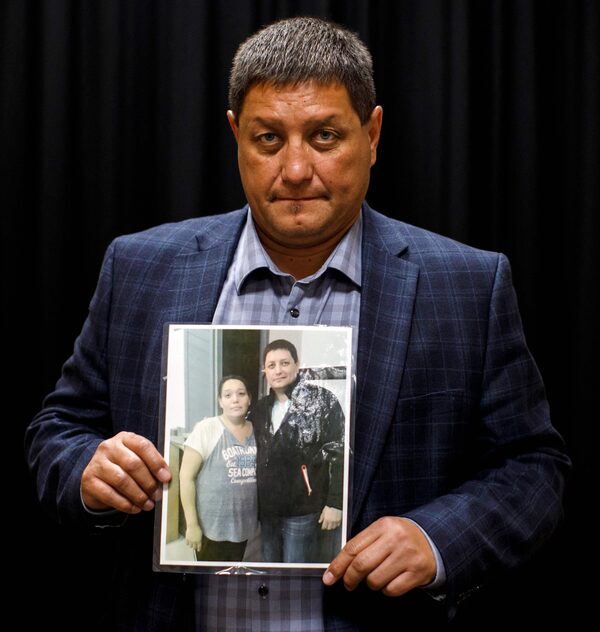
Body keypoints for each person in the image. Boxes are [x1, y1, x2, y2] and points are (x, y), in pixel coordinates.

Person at [25, 15, 570, 630]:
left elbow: (534, 467)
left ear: (372, 134)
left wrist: (436, 539)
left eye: (324, 136)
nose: (294, 170)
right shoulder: (139, 267)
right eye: (268, 139)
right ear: (236, 136)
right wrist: (88, 470)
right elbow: (58, 429)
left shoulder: (467, 285)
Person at [250, 339, 344, 563]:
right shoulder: (260, 409)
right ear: (265, 371)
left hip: (303, 510)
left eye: (284, 363)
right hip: (268, 511)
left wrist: (336, 503)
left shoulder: (323, 400)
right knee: (269, 568)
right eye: (271, 365)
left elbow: (341, 452)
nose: (278, 370)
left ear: (297, 365)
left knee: (295, 569)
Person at [179, 375, 257, 562]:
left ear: (249, 399)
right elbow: (186, 477)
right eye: (228, 395)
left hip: (243, 527)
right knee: (208, 577)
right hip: (210, 528)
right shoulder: (207, 428)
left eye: (241, 394)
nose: (235, 399)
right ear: (220, 401)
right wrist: (192, 525)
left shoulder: (257, 429)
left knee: (234, 573)